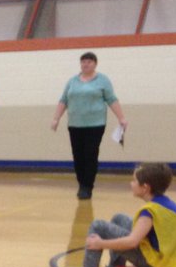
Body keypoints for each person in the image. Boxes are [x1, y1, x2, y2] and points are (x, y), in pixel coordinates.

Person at [54, 162, 176, 267]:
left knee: (99, 226)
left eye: (134, 181)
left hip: (154, 262)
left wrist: (101, 244)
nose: (131, 184)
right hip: (171, 259)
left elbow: (132, 242)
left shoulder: (149, 211)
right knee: (119, 219)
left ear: (145, 188)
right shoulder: (171, 206)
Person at [51, 52, 128, 200]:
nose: (85, 64)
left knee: (90, 154)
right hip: (75, 124)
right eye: (83, 62)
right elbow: (63, 100)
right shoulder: (72, 81)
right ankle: (81, 183)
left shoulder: (102, 80)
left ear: (95, 64)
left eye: (89, 62)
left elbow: (111, 99)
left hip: (95, 124)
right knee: (78, 155)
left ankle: (87, 186)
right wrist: (56, 119)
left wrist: (121, 118)